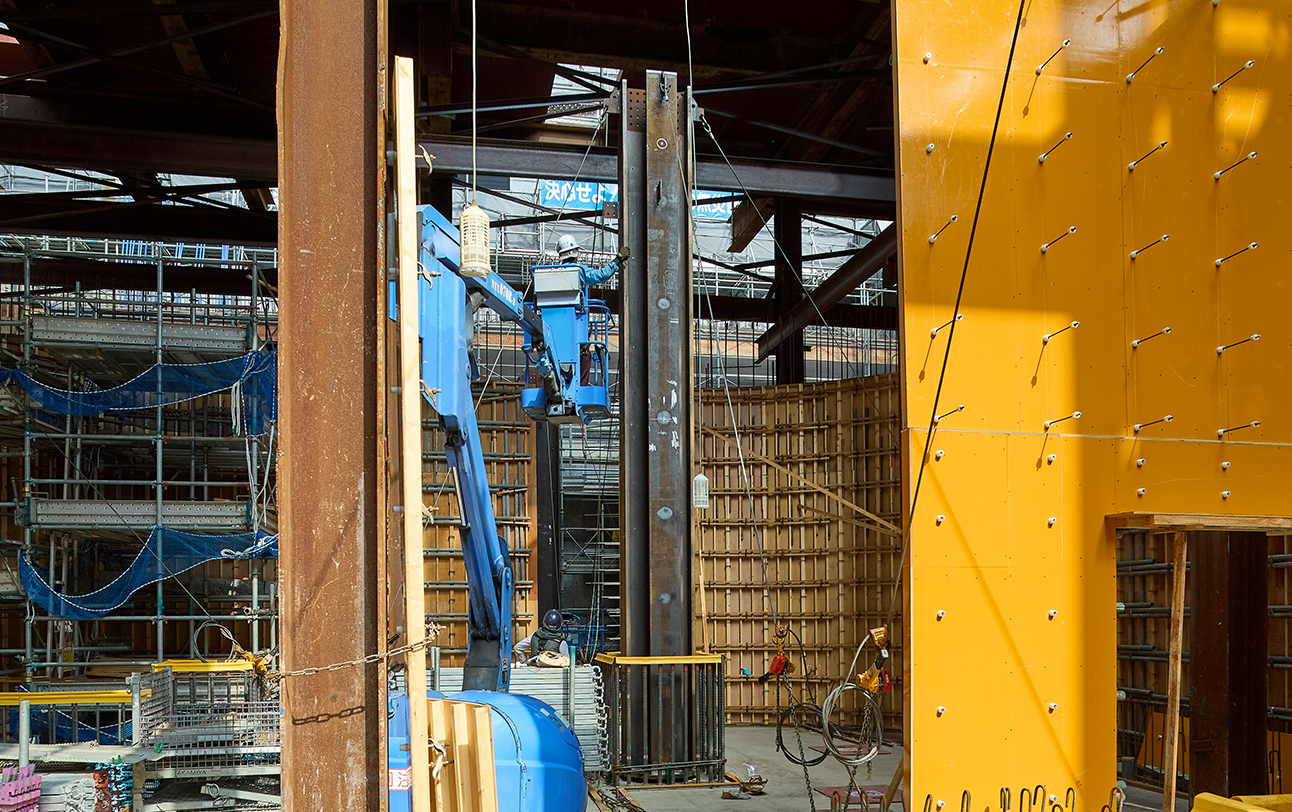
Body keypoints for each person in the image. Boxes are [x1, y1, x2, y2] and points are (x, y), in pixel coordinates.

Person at [556, 234, 630, 286]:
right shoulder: (578, 270)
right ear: (576, 253)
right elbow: (600, 275)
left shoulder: (553, 271)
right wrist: (617, 260)